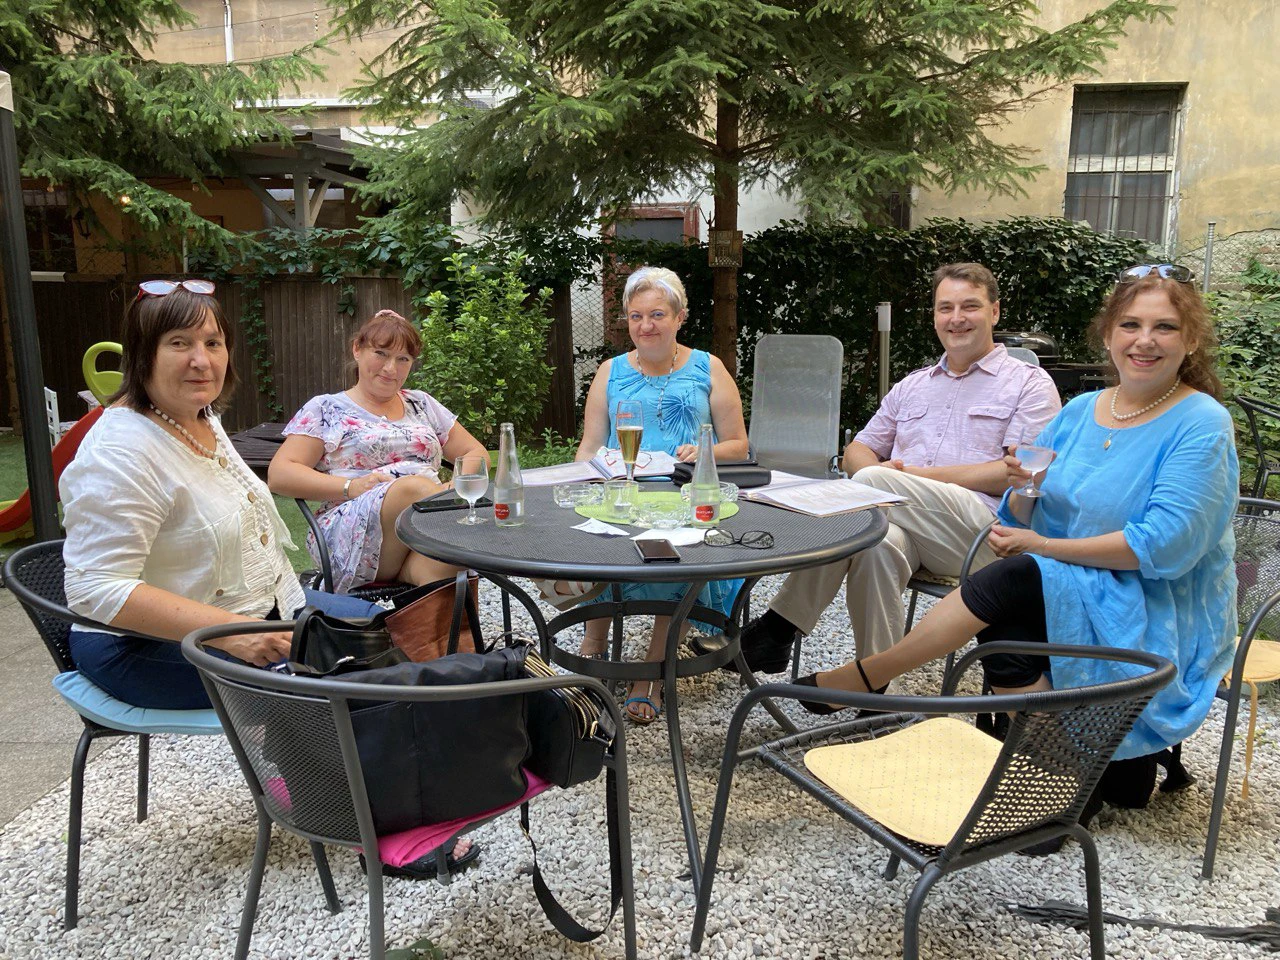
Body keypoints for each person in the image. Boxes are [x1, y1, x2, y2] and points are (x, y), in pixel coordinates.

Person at [59, 284, 477, 879]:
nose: (201, 359)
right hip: (144, 648)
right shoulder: (120, 450)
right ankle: (363, 822)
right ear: (142, 351)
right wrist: (233, 631)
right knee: (345, 677)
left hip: (256, 610)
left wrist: (288, 613)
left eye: (213, 342)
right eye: (179, 343)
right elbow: (96, 589)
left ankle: (335, 782)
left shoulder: (198, 420)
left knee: (386, 633)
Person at [798, 263, 1237, 828]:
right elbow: (1019, 508)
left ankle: (868, 677)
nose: (1144, 340)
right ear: (1108, 335)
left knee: (1013, 581)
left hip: (1152, 599)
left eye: (1165, 327)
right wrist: (1026, 494)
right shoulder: (1080, 413)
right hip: (1067, 585)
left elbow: (1164, 546)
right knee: (1007, 589)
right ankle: (1065, 767)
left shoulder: (1201, 422)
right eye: (1130, 325)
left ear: (1191, 339)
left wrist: (1042, 545)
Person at [714, 263, 1061, 674]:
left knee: (870, 484)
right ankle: (876, 687)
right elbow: (857, 451)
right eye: (945, 308)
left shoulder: (1029, 383)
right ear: (934, 315)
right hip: (912, 527)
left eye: (970, 306)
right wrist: (882, 477)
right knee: (871, 545)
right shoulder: (913, 386)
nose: (956, 318)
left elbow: (1017, 474)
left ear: (995, 312)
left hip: (985, 537)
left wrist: (902, 478)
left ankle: (776, 628)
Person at [566, 266, 749, 723]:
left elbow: (738, 445)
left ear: (680, 317)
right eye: (636, 316)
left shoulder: (709, 367)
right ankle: (592, 648)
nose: (645, 325)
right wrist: (584, 480)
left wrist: (704, 450)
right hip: (623, 491)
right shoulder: (610, 372)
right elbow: (589, 447)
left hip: (684, 495)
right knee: (596, 542)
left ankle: (652, 667)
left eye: (657, 315)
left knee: (676, 553)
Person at [268, 309, 487, 592]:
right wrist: (351, 487)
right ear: (357, 350)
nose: (390, 368)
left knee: (450, 566)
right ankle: (490, 544)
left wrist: (457, 485)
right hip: (354, 536)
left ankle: (432, 621)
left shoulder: (421, 404)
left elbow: (474, 451)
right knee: (414, 491)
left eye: (403, 359)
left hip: (423, 533)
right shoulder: (326, 409)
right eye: (381, 354)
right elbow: (280, 474)